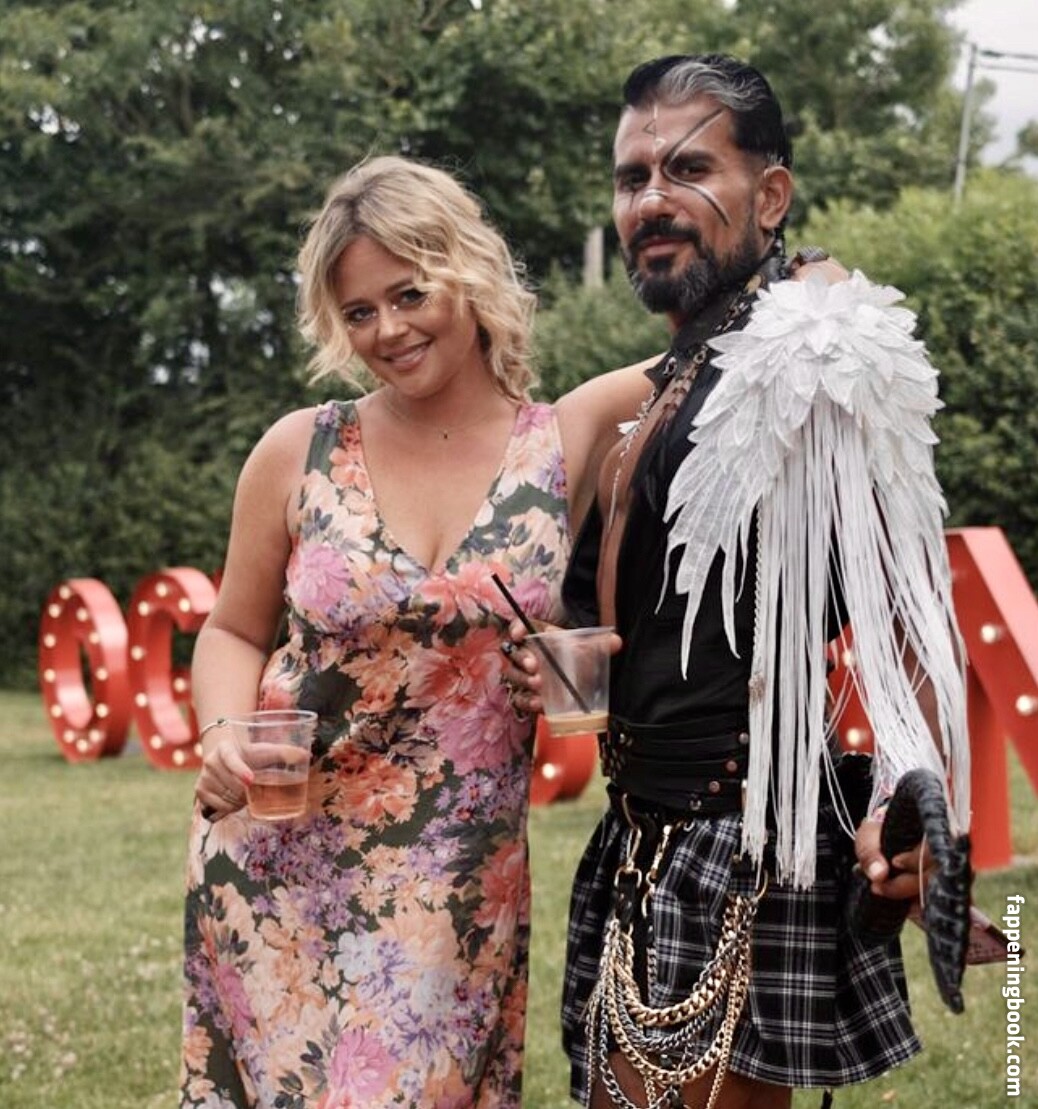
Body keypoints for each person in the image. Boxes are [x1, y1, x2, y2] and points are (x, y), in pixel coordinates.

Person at [505, 54, 970, 1109]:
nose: (651, 200)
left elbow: (905, 603)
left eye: (688, 168)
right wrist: (577, 659)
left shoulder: (816, 356)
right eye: (632, 178)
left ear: (769, 195)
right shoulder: (668, 381)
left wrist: (906, 786)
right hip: (639, 832)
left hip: (742, 842)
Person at [178, 154, 657, 1108]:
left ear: (468, 274)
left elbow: (736, 340)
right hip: (274, 869)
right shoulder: (299, 448)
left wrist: (582, 666)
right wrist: (223, 730)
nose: (388, 330)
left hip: (454, 888)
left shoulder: (564, 439)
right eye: (359, 312)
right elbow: (231, 628)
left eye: (410, 293)